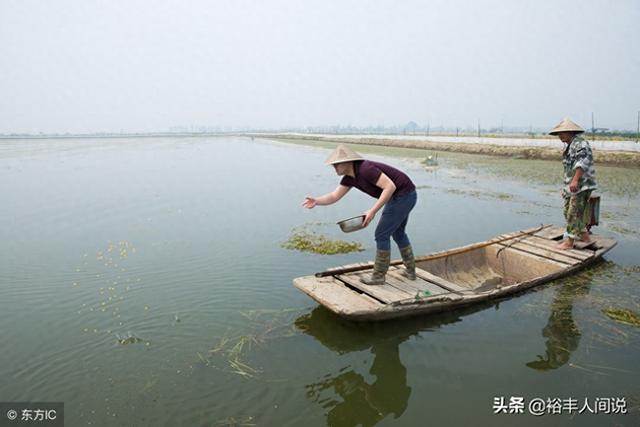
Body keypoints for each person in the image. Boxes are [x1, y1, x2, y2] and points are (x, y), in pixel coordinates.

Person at [303, 145, 417, 285]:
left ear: (348, 162)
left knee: (381, 235)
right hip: (401, 196)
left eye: (336, 164)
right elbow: (334, 196)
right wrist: (316, 201)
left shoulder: (365, 169)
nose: (334, 167)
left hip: (404, 195)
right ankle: (411, 272)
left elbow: (390, 186)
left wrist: (372, 210)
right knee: (398, 234)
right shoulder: (349, 178)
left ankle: (379, 276)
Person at [549, 118, 597, 250]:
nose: (560, 136)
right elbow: (568, 169)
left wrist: (575, 180)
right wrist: (566, 187)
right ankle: (584, 235)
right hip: (572, 185)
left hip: (581, 185)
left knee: (573, 213)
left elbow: (582, 162)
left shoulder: (580, 144)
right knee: (567, 211)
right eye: (558, 133)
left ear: (570, 131)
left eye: (562, 133)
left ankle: (569, 242)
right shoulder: (570, 144)